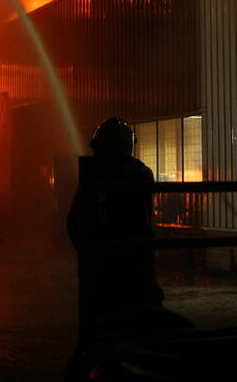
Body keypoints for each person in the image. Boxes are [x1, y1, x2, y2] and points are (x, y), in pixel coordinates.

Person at [67, 118, 165, 337]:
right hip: (139, 265)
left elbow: (73, 221)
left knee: (102, 330)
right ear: (130, 144)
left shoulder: (93, 175)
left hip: (103, 268)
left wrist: (88, 253)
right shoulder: (142, 173)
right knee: (143, 325)